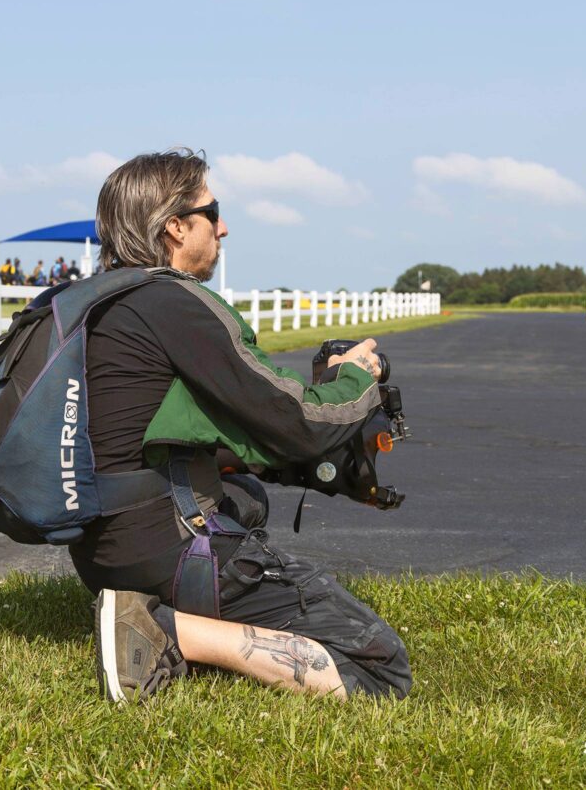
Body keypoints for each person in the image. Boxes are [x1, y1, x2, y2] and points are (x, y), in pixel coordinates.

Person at [72, 149, 411, 702]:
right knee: (380, 669)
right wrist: (356, 380)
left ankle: (146, 600)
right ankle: (164, 628)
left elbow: (193, 428)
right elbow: (297, 419)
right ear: (176, 226)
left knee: (248, 498)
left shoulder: (98, 302)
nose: (224, 227)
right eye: (214, 211)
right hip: (163, 548)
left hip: (101, 544)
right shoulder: (174, 303)